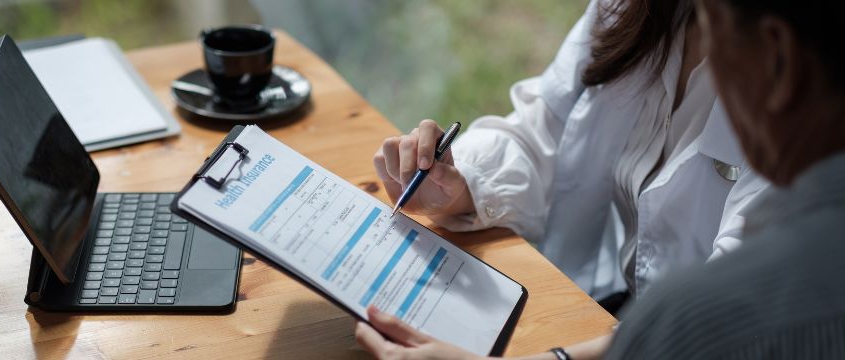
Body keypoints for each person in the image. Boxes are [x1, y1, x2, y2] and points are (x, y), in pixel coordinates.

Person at [356, 0, 845, 358]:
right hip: (608, 313)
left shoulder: (794, 122)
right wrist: (461, 184)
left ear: (778, 59)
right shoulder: (638, 11)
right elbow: (545, 127)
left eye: (714, 33)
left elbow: (717, 319)